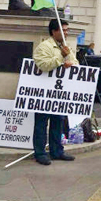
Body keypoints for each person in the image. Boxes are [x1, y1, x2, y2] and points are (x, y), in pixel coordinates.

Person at [32, 19, 77, 165]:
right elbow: (43, 65)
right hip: (44, 93)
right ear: (54, 31)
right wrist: (61, 58)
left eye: (67, 30)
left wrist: (70, 63)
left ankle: (57, 151)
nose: (66, 33)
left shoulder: (66, 47)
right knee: (41, 123)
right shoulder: (44, 47)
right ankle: (40, 153)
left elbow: (76, 64)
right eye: (63, 30)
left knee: (58, 121)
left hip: (59, 93)